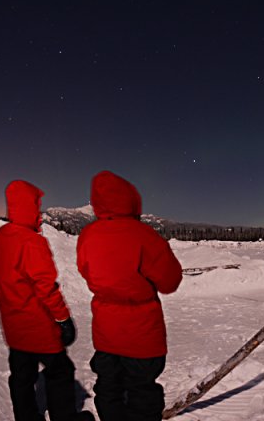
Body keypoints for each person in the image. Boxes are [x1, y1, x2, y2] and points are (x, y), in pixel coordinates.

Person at [77, 170, 183, 421]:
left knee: (109, 387)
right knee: (142, 391)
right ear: (131, 199)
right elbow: (170, 281)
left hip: (106, 333)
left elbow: (85, 271)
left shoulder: (87, 236)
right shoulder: (145, 236)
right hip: (143, 334)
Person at [0, 179, 94, 421]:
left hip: (13, 325)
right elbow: (46, 288)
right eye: (37, 204)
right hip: (39, 326)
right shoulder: (32, 242)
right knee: (61, 371)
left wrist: (5, 296)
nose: (39, 209)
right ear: (28, 205)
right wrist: (63, 318)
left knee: (22, 376)